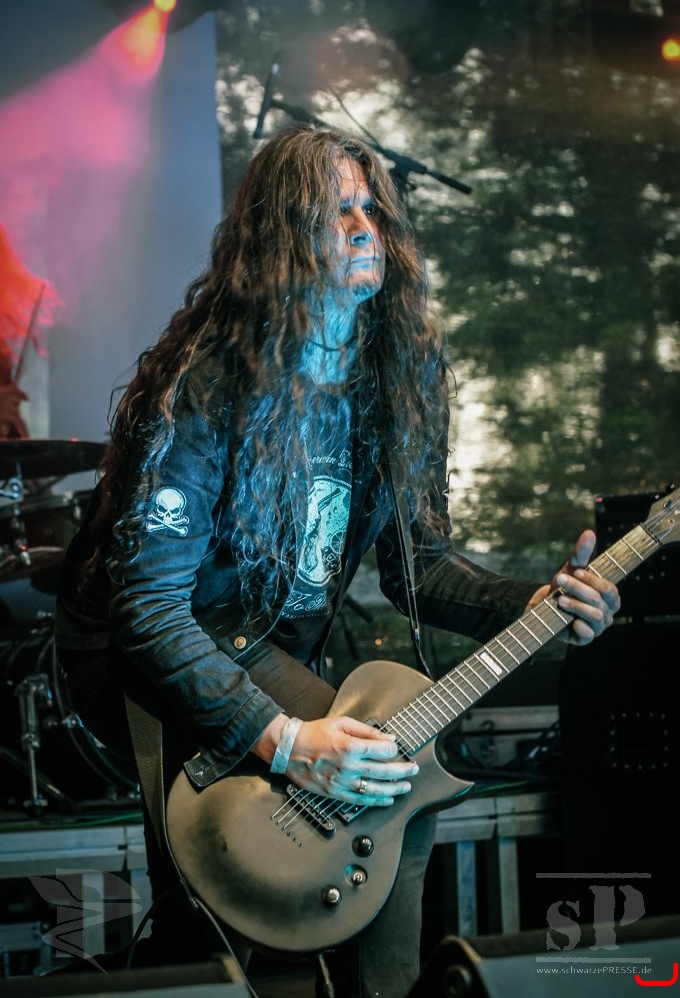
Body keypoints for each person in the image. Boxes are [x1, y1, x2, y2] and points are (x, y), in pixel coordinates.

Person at [54, 125, 620, 997]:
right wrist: (285, 741)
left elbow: (420, 568)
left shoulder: (396, 376)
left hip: (260, 642)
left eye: (369, 209)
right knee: (271, 860)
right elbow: (149, 607)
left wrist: (535, 603)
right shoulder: (206, 384)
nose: (364, 229)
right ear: (282, 238)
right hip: (154, 639)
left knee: (379, 792)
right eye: (335, 213)